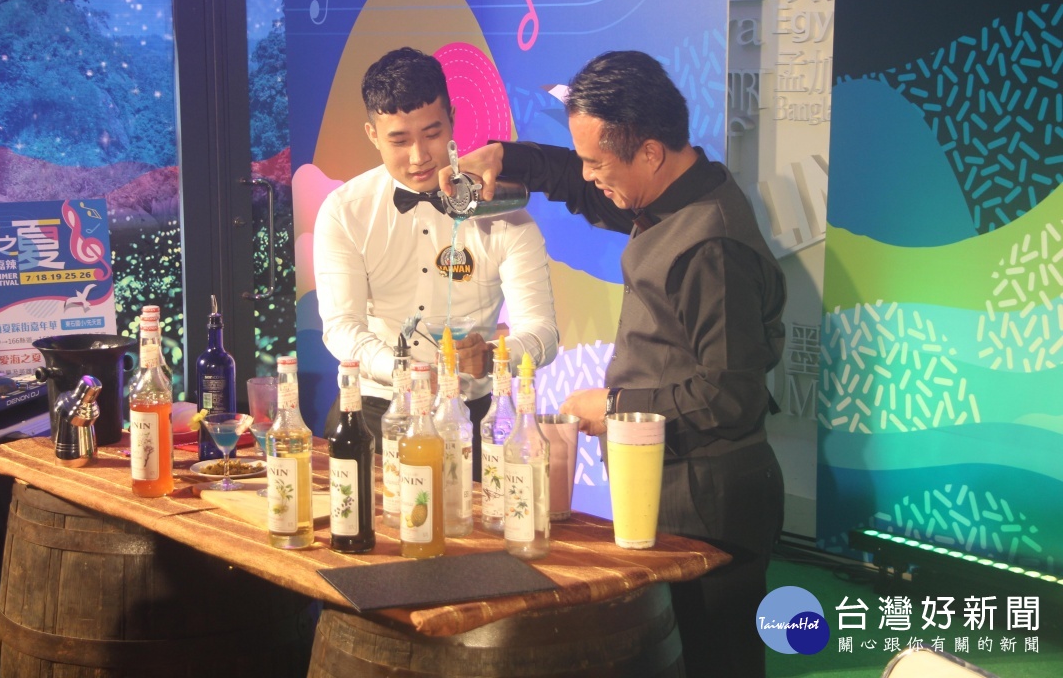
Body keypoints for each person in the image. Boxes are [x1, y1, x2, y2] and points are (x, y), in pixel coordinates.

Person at [441, 50, 786, 678]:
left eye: (598, 162)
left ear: (649, 152)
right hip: (668, 476)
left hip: (709, 496)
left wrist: (617, 407)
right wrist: (505, 158)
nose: (589, 175)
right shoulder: (672, 189)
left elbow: (729, 395)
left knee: (717, 659)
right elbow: (582, 185)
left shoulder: (711, 244)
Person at [314, 47, 558, 476]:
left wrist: (495, 357)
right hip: (373, 410)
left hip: (472, 417)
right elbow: (341, 327)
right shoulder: (345, 211)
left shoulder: (504, 212)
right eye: (399, 140)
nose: (419, 156)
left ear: (453, 120)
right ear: (372, 135)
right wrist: (402, 370)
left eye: (431, 133)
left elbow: (544, 333)